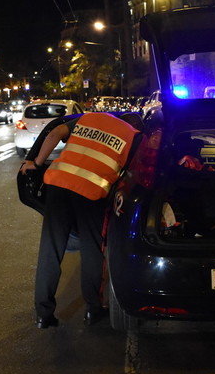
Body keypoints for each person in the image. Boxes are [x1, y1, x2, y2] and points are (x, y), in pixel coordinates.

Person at [19, 112, 143, 328]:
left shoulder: (91, 118)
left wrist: (37, 164)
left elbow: (55, 132)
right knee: (92, 250)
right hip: (91, 193)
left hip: (57, 186)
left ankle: (43, 313)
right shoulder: (134, 136)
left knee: (50, 250)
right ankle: (93, 310)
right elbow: (133, 173)